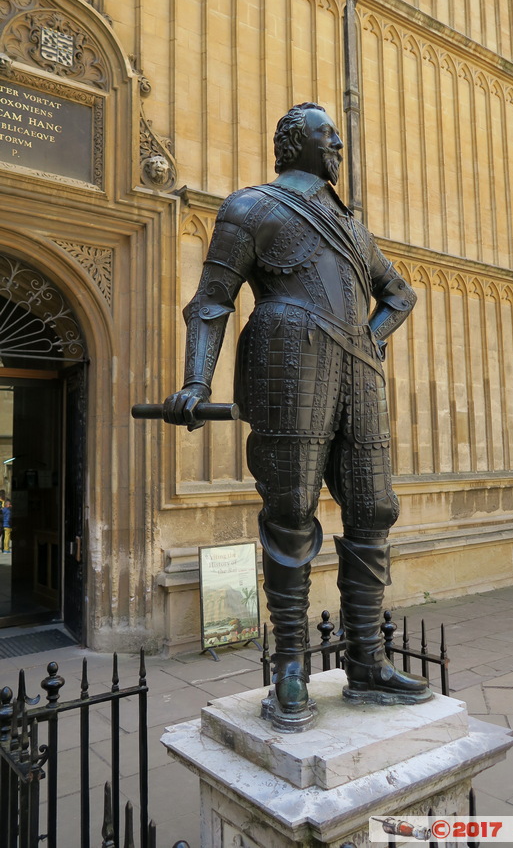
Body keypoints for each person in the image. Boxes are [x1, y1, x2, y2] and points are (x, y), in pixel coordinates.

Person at [163, 102, 431, 730]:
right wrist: (194, 383)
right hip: (288, 366)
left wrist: (367, 339)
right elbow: (209, 304)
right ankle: (290, 664)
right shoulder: (251, 208)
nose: (338, 144)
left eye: (336, 135)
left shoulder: (356, 232)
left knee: (373, 509)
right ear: (292, 144)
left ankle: (366, 659)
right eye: (326, 135)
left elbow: (400, 293)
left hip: (357, 378)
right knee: (289, 513)